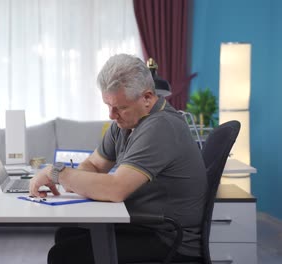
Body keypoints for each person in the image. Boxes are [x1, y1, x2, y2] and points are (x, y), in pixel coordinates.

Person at [29, 54, 208, 263]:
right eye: (108, 105)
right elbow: (95, 164)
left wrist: (57, 173)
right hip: (144, 224)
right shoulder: (124, 125)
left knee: (63, 255)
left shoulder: (161, 127)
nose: (112, 115)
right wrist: (76, 181)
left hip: (168, 238)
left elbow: (115, 189)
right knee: (66, 233)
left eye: (121, 107)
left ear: (148, 98)